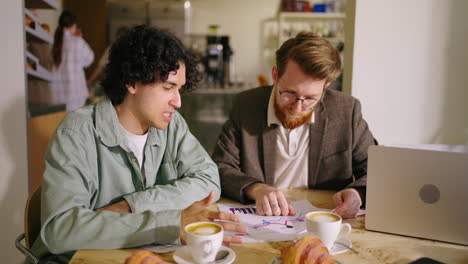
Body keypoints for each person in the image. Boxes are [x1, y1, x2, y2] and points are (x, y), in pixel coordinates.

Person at [30, 25, 246, 264]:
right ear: (132, 82)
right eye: (168, 87)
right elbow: (61, 230)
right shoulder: (77, 132)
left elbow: (208, 179)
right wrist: (167, 223)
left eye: (180, 89)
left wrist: (132, 206)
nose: (178, 102)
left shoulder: (172, 125)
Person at [212, 32, 377, 219]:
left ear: (325, 87)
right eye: (290, 93)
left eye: (310, 98)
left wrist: (357, 193)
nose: (298, 107)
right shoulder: (246, 105)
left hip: (323, 220)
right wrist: (256, 189)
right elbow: (220, 166)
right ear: (275, 75)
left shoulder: (346, 110)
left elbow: (377, 170)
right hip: (264, 220)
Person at [50, 10, 94, 111]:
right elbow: (90, 59)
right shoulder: (77, 41)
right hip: (75, 96)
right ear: (74, 25)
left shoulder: (53, 42)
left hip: (57, 96)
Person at [86, 26, 129, 98]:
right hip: (121, 86)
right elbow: (100, 68)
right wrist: (89, 82)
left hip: (116, 86)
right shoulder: (113, 48)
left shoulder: (113, 48)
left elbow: (100, 68)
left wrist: (89, 82)